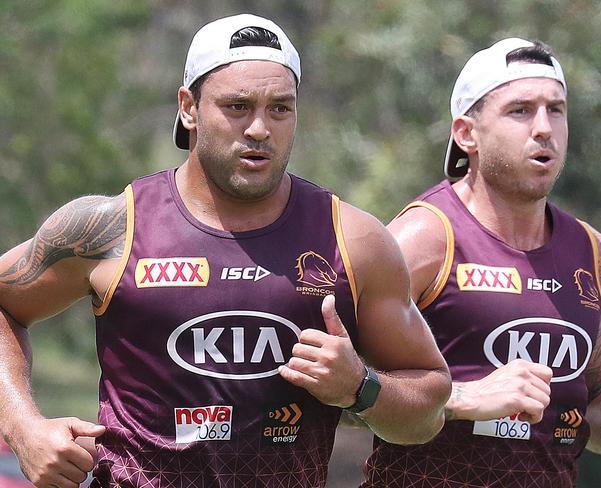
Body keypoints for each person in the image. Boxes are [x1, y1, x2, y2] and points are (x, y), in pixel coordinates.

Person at [0, 14, 451, 488]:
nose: (260, 128)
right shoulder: (112, 228)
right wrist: (24, 427)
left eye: (280, 108)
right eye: (238, 106)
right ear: (189, 108)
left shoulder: (353, 240)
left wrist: (360, 387)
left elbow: (428, 413)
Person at [362, 37, 601, 487]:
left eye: (556, 110)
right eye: (520, 111)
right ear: (466, 133)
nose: (543, 128)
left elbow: (594, 414)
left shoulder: (595, 255)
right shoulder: (424, 239)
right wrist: (459, 398)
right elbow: (338, 392)